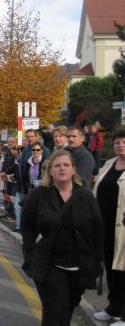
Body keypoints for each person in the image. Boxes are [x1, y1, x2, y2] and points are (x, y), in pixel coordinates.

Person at [21, 150, 104, 326]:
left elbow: (97, 229)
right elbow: (27, 225)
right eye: (57, 165)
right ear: (50, 171)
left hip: (78, 267)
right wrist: (30, 252)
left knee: (66, 310)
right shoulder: (40, 195)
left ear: (73, 170)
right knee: (54, 312)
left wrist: (97, 260)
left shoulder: (85, 196)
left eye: (66, 165)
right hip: (50, 265)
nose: (62, 168)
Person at [93, 126, 125, 325]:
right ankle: (113, 307)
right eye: (117, 142)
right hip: (106, 227)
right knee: (111, 271)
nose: (120, 145)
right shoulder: (110, 164)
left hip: (123, 228)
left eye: (124, 142)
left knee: (123, 272)